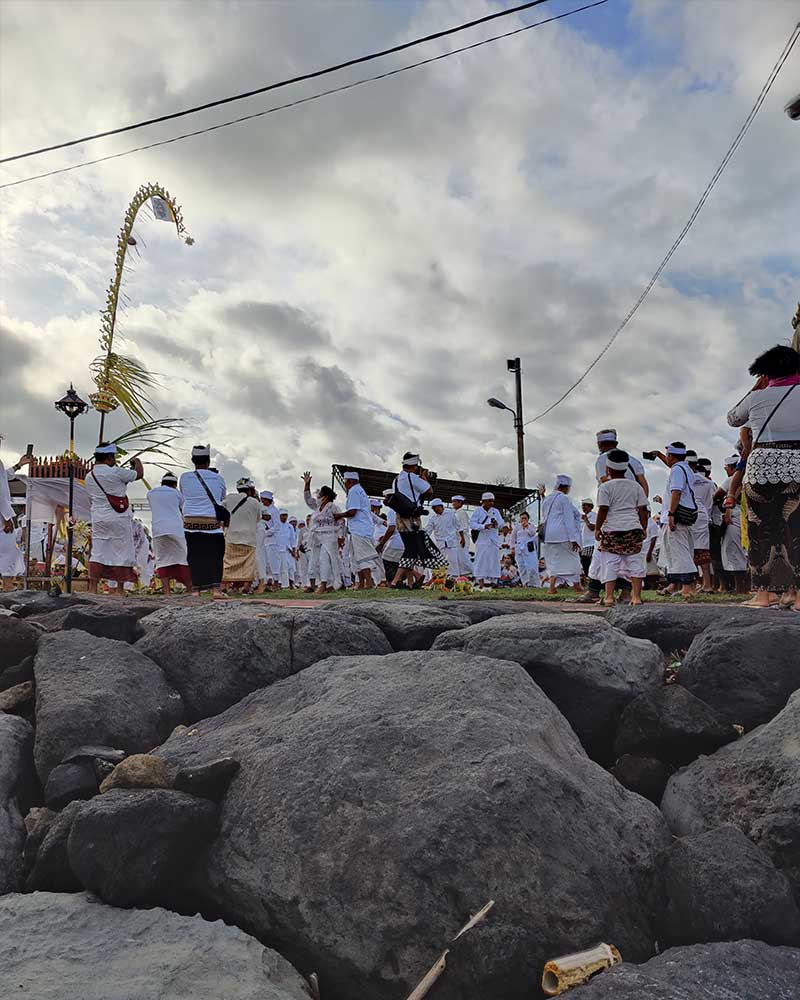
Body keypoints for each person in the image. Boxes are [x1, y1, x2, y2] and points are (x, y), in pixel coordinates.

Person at [727, 344, 800, 610]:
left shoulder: (757, 397)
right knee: (795, 529)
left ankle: (763, 595)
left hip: (761, 466)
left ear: (765, 373)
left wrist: (756, 389)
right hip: (797, 464)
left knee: (761, 530)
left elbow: (732, 418)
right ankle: (796, 593)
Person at [85, 442, 143, 595]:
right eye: (114, 457)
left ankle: (92, 588)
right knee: (122, 552)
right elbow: (139, 474)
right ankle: (119, 589)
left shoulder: (89, 476)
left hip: (98, 518)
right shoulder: (116, 472)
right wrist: (136, 462)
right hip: (118, 517)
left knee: (98, 551)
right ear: (109, 458)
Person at [593, 449, 649, 606]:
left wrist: (598, 529)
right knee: (635, 562)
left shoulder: (605, 487)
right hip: (633, 528)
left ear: (608, 469)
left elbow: (603, 509)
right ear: (626, 468)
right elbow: (643, 509)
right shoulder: (636, 486)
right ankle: (636, 597)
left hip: (612, 529)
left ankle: (609, 597)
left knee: (610, 562)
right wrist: (643, 527)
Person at [390, 453, 446, 589]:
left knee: (411, 548)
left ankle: (412, 580)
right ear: (414, 466)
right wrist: (425, 478)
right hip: (412, 517)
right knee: (412, 549)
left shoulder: (397, 479)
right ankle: (396, 581)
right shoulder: (412, 477)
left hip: (400, 516)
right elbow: (429, 491)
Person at [179, 444, 227, 598]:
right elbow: (221, 498)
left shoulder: (185, 477)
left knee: (194, 556)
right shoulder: (218, 478)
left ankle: (195, 590)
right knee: (215, 557)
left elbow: (184, 493)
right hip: (212, 523)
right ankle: (216, 590)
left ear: (193, 460)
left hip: (191, 523)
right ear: (208, 461)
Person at [657, 442, 698, 599]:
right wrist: (659, 455)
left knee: (680, 551)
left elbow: (676, 492)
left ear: (671, 456)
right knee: (675, 551)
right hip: (686, 514)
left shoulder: (676, 471)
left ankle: (687, 587)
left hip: (677, 515)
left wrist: (671, 514)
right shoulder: (685, 468)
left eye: (667, 455)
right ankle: (675, 585)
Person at [147, 472, 192, 595]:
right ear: (174, 484)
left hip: (158, 530)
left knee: (162, 561)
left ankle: (167, 592)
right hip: (175, 529)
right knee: (182, 559)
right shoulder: (178, 494)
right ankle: (189, 590)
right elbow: (184, 510)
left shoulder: (150, 493)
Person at [335, 472, 378, 589]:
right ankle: (361, 584)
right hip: (358, 529)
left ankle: (369, 584)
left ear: (349, 481)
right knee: (356, 558)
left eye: (345, 482)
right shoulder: (360, 491)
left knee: (363, 557)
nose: (345, 484)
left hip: (360, 529)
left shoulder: (354, 491)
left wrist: (338, 515)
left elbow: (352, 512)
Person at [540, 475, 583, 593]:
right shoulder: (564, 498)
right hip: (562, 534)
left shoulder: (548, 499)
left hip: (549, 535)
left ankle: (552, 587)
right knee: (574, 559)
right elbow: (568, 519)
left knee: (554, 561)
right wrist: (573, 539)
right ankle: (576, 585)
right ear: (566, 487)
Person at [303, 473, 343, 594]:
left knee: (325, 559)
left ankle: (324, 584)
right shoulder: (317, 507)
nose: (318, 497)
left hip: (329, 536)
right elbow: (308, 500)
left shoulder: (333, 507)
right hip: (316, 537)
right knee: (315, 561)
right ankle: (324, 584)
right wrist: (307, 484)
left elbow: (341, 522)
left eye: (320, 495)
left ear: (325, 497)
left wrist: (341, 537)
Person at [221, 477, 262, 592]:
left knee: (228, 562)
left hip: (232, 535)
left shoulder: (229, 498)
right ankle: (246, 587)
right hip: (249, 537)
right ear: (250, 490)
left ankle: (224, 586)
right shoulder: (255, 502)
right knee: (248, 564)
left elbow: (222, 510)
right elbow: (258, 519)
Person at [716, 454, 749, 594]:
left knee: (734, 551)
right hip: (747, 516)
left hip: (736, 516)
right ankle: (745, 588)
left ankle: (741, 588)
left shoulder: (732, 479)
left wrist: (728, 506)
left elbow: (717, 495)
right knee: (744, 552)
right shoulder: (749, 477)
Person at [688, 454, 715, 592]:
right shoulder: (709, 483)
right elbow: (709, 504)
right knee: (703, 550)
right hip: (703, 515)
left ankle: (691, 585)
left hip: (689, 514)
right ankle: (707, 584)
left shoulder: (687, 479)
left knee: (689, 550)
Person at [595, 429, 649, 494]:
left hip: (615, 500)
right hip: (634, 499)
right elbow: (643, 484)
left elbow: (604, 480)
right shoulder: (634, 461)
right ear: (616, 443)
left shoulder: (603, 458)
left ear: (600, 444)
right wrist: (643, 502)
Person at [469, 492, 504, 587]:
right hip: (482, 540)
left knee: (493, 561)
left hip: (493, 540)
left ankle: (494, 582)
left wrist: (497, 524)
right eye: (489, 501)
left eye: (493, 501)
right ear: (483, 501)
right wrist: (484, 526)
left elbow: (501, 523)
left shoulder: (495, 511)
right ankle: (480, 582)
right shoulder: (478, 511)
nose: (492, 503)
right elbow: (472, 524)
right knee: (481, 561)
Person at [376, 488, 406, 584]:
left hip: (396, 541)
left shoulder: (393, 511)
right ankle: (401, 580)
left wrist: (381, 543)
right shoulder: (403, 509)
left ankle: (394, 581)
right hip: (405, 541)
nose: (384, 500)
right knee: (402, 562)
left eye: (386, 498)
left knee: (387, 559)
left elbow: (391, 529)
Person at [428, 499, 461, 578]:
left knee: (453, 562)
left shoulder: (450, 513)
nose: (434, 510)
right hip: (440, 544)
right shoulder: (433, 518)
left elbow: (458, 526)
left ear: (441, 507)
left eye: (435, 508)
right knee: (441, 563)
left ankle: (454, 579)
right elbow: (428, 530)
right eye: (433, 508)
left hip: (451, 542)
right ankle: (441, 579)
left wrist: (462, 538)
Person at [510, 510, 540, 587]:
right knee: (521, 566)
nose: (523, 519)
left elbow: (532, 533)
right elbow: (513, 538)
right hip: (519, 548)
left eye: (525, 518)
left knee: (532, 566)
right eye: (522, 518)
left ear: (528, 519)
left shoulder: (531, 526)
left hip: (529, 549)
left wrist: (526, 526)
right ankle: (525, 583)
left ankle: (534, 584)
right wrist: (513, 548)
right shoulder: (517, 527)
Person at [451, 494, 472, 577]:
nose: (453, 503)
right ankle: (462, 576)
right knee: (459, 558)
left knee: (464, 558)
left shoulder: (462, 512)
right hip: (456, 538)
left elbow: (463, 527)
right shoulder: (456, 513)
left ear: (460, 503)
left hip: (462, 538)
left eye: (455, 501)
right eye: (452, 502)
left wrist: (462, 538)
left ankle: (473, 573)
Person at [579, 499, 597, 577]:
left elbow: (592, 527)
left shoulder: (593, 515)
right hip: (584, 544)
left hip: (591, 543)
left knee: (587, 562)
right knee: (584, 562)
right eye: (582, 505)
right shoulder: (583, 518)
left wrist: (586, 520)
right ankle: (587, 578)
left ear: (590, 507)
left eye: (585, 505)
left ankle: (590, 578)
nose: (583, 507)